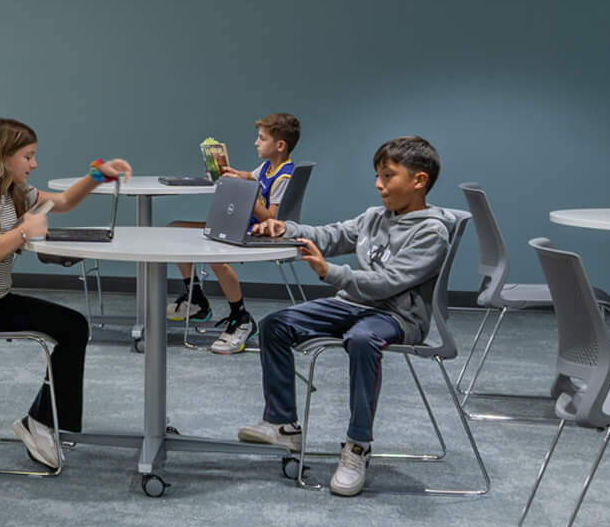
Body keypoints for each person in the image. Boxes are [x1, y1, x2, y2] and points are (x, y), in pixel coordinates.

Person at [236, 136, 456, 498]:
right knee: (275, 324)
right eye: (377, 175)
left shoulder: (431, 233)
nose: (378, 184)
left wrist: (329, 273)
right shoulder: (374, 217)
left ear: (419, 181)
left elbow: (388, 284)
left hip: (397, 317)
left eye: (388, 176)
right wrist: (285, 228)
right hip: (355, 303)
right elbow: (331, 234)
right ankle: (282, 423)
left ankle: (357, 446)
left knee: (361, 339)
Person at [0, 117, 132, 475]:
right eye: (28, 157)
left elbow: (63, 202)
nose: (34, 165)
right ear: (2, 156)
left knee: (73, 327)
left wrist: (98, 175)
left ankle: (40, 421)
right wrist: (23, 232)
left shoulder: (17, 194)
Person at [166, 113, 301, 357]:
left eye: (261, 139)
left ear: (279, 146)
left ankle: (241, 317)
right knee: (176, 228)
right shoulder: (267, 167)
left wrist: (246, 192)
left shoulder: (284, 175)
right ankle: (196, 299)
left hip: (261, 232)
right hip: (242, 225)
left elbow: (272, 219)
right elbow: (249, 176)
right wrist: (231, 174)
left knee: (215, 257)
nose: (256, 143)